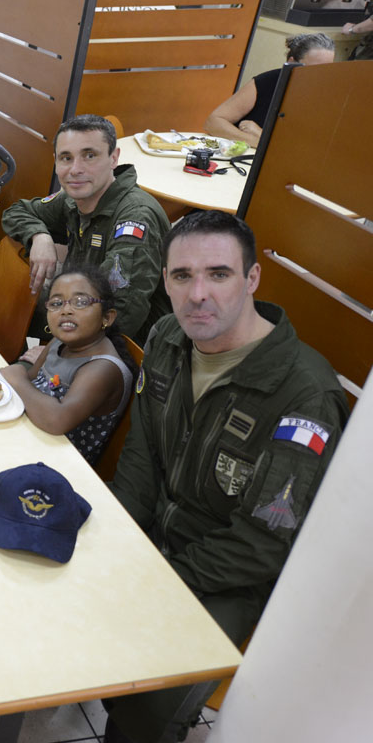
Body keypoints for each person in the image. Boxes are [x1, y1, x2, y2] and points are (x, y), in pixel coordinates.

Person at [104, 210, 348, 743]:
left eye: (218, 274)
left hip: (228, 575)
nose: (198, 295)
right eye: (181, 276)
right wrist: (116, 550)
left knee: (144, 711)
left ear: (252, 279)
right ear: (165, 280)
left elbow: (261, 544)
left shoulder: (304, 396)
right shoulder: (169, 338)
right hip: (158, 540)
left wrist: (159, 585)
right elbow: (142, 462)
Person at [1, 114, 172, 344]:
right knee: (8, 302)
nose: (75, 169)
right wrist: (38, 236)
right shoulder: (73, 199)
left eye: (89, 156)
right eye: (66, 158)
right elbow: (16, 212)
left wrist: (60, 352)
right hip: (80, 308)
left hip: (123, 347)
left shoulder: (135, 218)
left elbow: (121, 314)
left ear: (114, 158)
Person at [0, 264, 134, 465]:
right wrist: (20, 379)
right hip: (29, 435)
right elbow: (32, 380)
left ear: (107, 317)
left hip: (59, 465)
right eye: (56, 303)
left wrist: (17, 380)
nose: (66, 310)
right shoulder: (58, 343)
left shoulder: (103, 368)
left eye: (80, 302)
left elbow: (57, 420)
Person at [204, 33, 335, 148]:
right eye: (313, 69)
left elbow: (307, 145)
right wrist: (256, 140)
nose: (320, 76)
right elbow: (213, 122)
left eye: (327, 70)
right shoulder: (267, 82)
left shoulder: (331, 94)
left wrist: (261, 134)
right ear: (292, 63)